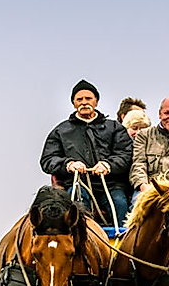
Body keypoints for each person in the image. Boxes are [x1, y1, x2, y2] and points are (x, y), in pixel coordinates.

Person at [39, 79, 133, 226]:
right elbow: (47, 159)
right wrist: (68, 164)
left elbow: (126, 154)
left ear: (96, 101)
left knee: (120, 204)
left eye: (88, 98)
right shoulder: (61, 131)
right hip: (78, 184)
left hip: (111, 185)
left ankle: (124, 246)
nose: (84, 102)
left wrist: (108, 165)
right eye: (79, 99)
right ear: (74, 103)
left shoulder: (114, 128)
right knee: (76, 206)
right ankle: (81, 244)